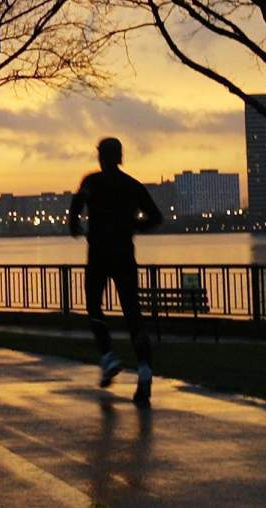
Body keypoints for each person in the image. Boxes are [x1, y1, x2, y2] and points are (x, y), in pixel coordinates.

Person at [69, 137, 163, 407]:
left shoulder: (92, 182)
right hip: (124, 255)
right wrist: (133, 226)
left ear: (102, 157)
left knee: (94, 308)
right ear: (120, 157)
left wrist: (74, 226)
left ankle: (108, 356)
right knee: (133, 314)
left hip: (99, 254)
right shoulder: (132, 186)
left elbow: (77, 204)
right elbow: (155, 217)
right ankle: (144, 369)